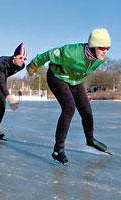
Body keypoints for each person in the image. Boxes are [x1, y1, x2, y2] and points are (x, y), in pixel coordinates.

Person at [26, 28, 111, 164]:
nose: (105, 51)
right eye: (102, 47)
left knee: (86, 111)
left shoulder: (100, 59)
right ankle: (58, 149)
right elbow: (49, 54)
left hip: (75, 81)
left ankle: (90, 140)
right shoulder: (71, 52)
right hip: (57, 76)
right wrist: (34, 64)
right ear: (93, 46)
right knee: (69, 107)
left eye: (107, 48)